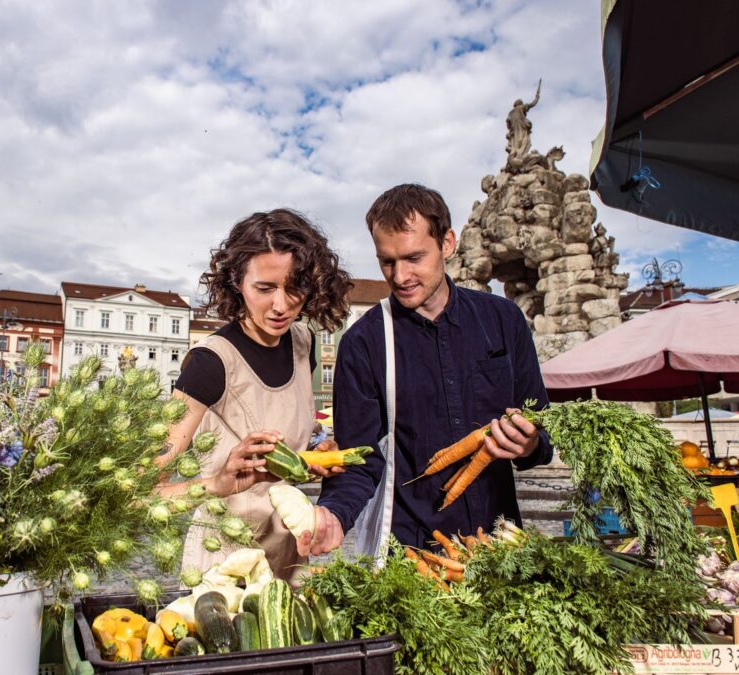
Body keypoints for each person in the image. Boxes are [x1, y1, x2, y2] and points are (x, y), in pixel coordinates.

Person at [308, 184, 554, 557]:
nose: (400, 276)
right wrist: (334, 516)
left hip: (502, 545)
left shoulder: (504, 320)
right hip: (411, 553)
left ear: (448, 243)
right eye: (387, 261)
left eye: (414, 258)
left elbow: (543, 429)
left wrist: (531, 443)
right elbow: (358, 458)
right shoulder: (364, 343)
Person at [156, 209, 351, 581]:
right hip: (223, 567)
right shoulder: (210, 362)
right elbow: (142, 491)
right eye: (265, 288)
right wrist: (217, 483)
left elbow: (278, 437)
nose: (282, 305)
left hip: (289, 559)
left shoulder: (303, 342)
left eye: (295, 287)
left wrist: (310, 455)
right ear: (237, 282)